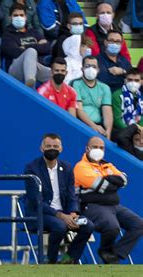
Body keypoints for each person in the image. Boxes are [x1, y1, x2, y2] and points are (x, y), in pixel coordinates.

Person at [24, 133, 94, 264]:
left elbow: (71, 194)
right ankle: (51, 261)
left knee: (88, 225)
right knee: (60, 226)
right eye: (48, 146)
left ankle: (69, 259)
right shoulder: (32, 168)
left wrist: (73, 213)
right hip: (40, 214)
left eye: (55, 146)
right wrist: (61, 216)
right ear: (41, 148)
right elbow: (36, 201)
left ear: (61, 149)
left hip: (65, 214)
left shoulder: (67, 167)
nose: (52, 149)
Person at [74, 136, 143, 264]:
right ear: (87, 148)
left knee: (139, 224)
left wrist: (109, 181)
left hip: (113, 206)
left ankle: (114, 255)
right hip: (91, 205)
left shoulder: (107, 165)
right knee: (112, 226)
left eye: (101, 148)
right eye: (95, 147)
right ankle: (105, 250)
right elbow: (100, 185)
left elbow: (124, 180)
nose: (98, 150)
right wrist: (112, 181)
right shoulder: (81, 167)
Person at [1, 3, 51, 88]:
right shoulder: (7, 35)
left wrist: (26, 47)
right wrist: (36, 46)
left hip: (35, 66)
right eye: (15, 15)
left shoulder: (33, 32)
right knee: (31, 52)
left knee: (56, 74)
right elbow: (15, 52)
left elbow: (47, 48)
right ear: (10, 18)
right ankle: (30, 84)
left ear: (25, 17)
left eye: (21, 15)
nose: (19, 17)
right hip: (16, 69)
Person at [72, 56, 113, 139]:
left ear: (98, 70)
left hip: (99, 125)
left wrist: (108, 131)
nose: (90, 69)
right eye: (87, 66)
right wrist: (93, 126)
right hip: (82, 124)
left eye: (94, 67)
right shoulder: (76, 84)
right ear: (82, 69)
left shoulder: (104, 87)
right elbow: (79, 109)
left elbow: (107, 111)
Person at [111, 68, 142, 140]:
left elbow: (142, 117)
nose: (133, 83)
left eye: (136, 80)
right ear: (125, 81)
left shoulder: (141, 97)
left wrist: (140, 130)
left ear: (140, 81)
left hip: (138, 131)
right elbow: (117, 119)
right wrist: (131, 131)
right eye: (130, 80)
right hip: (121, 130)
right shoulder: (117, 95)